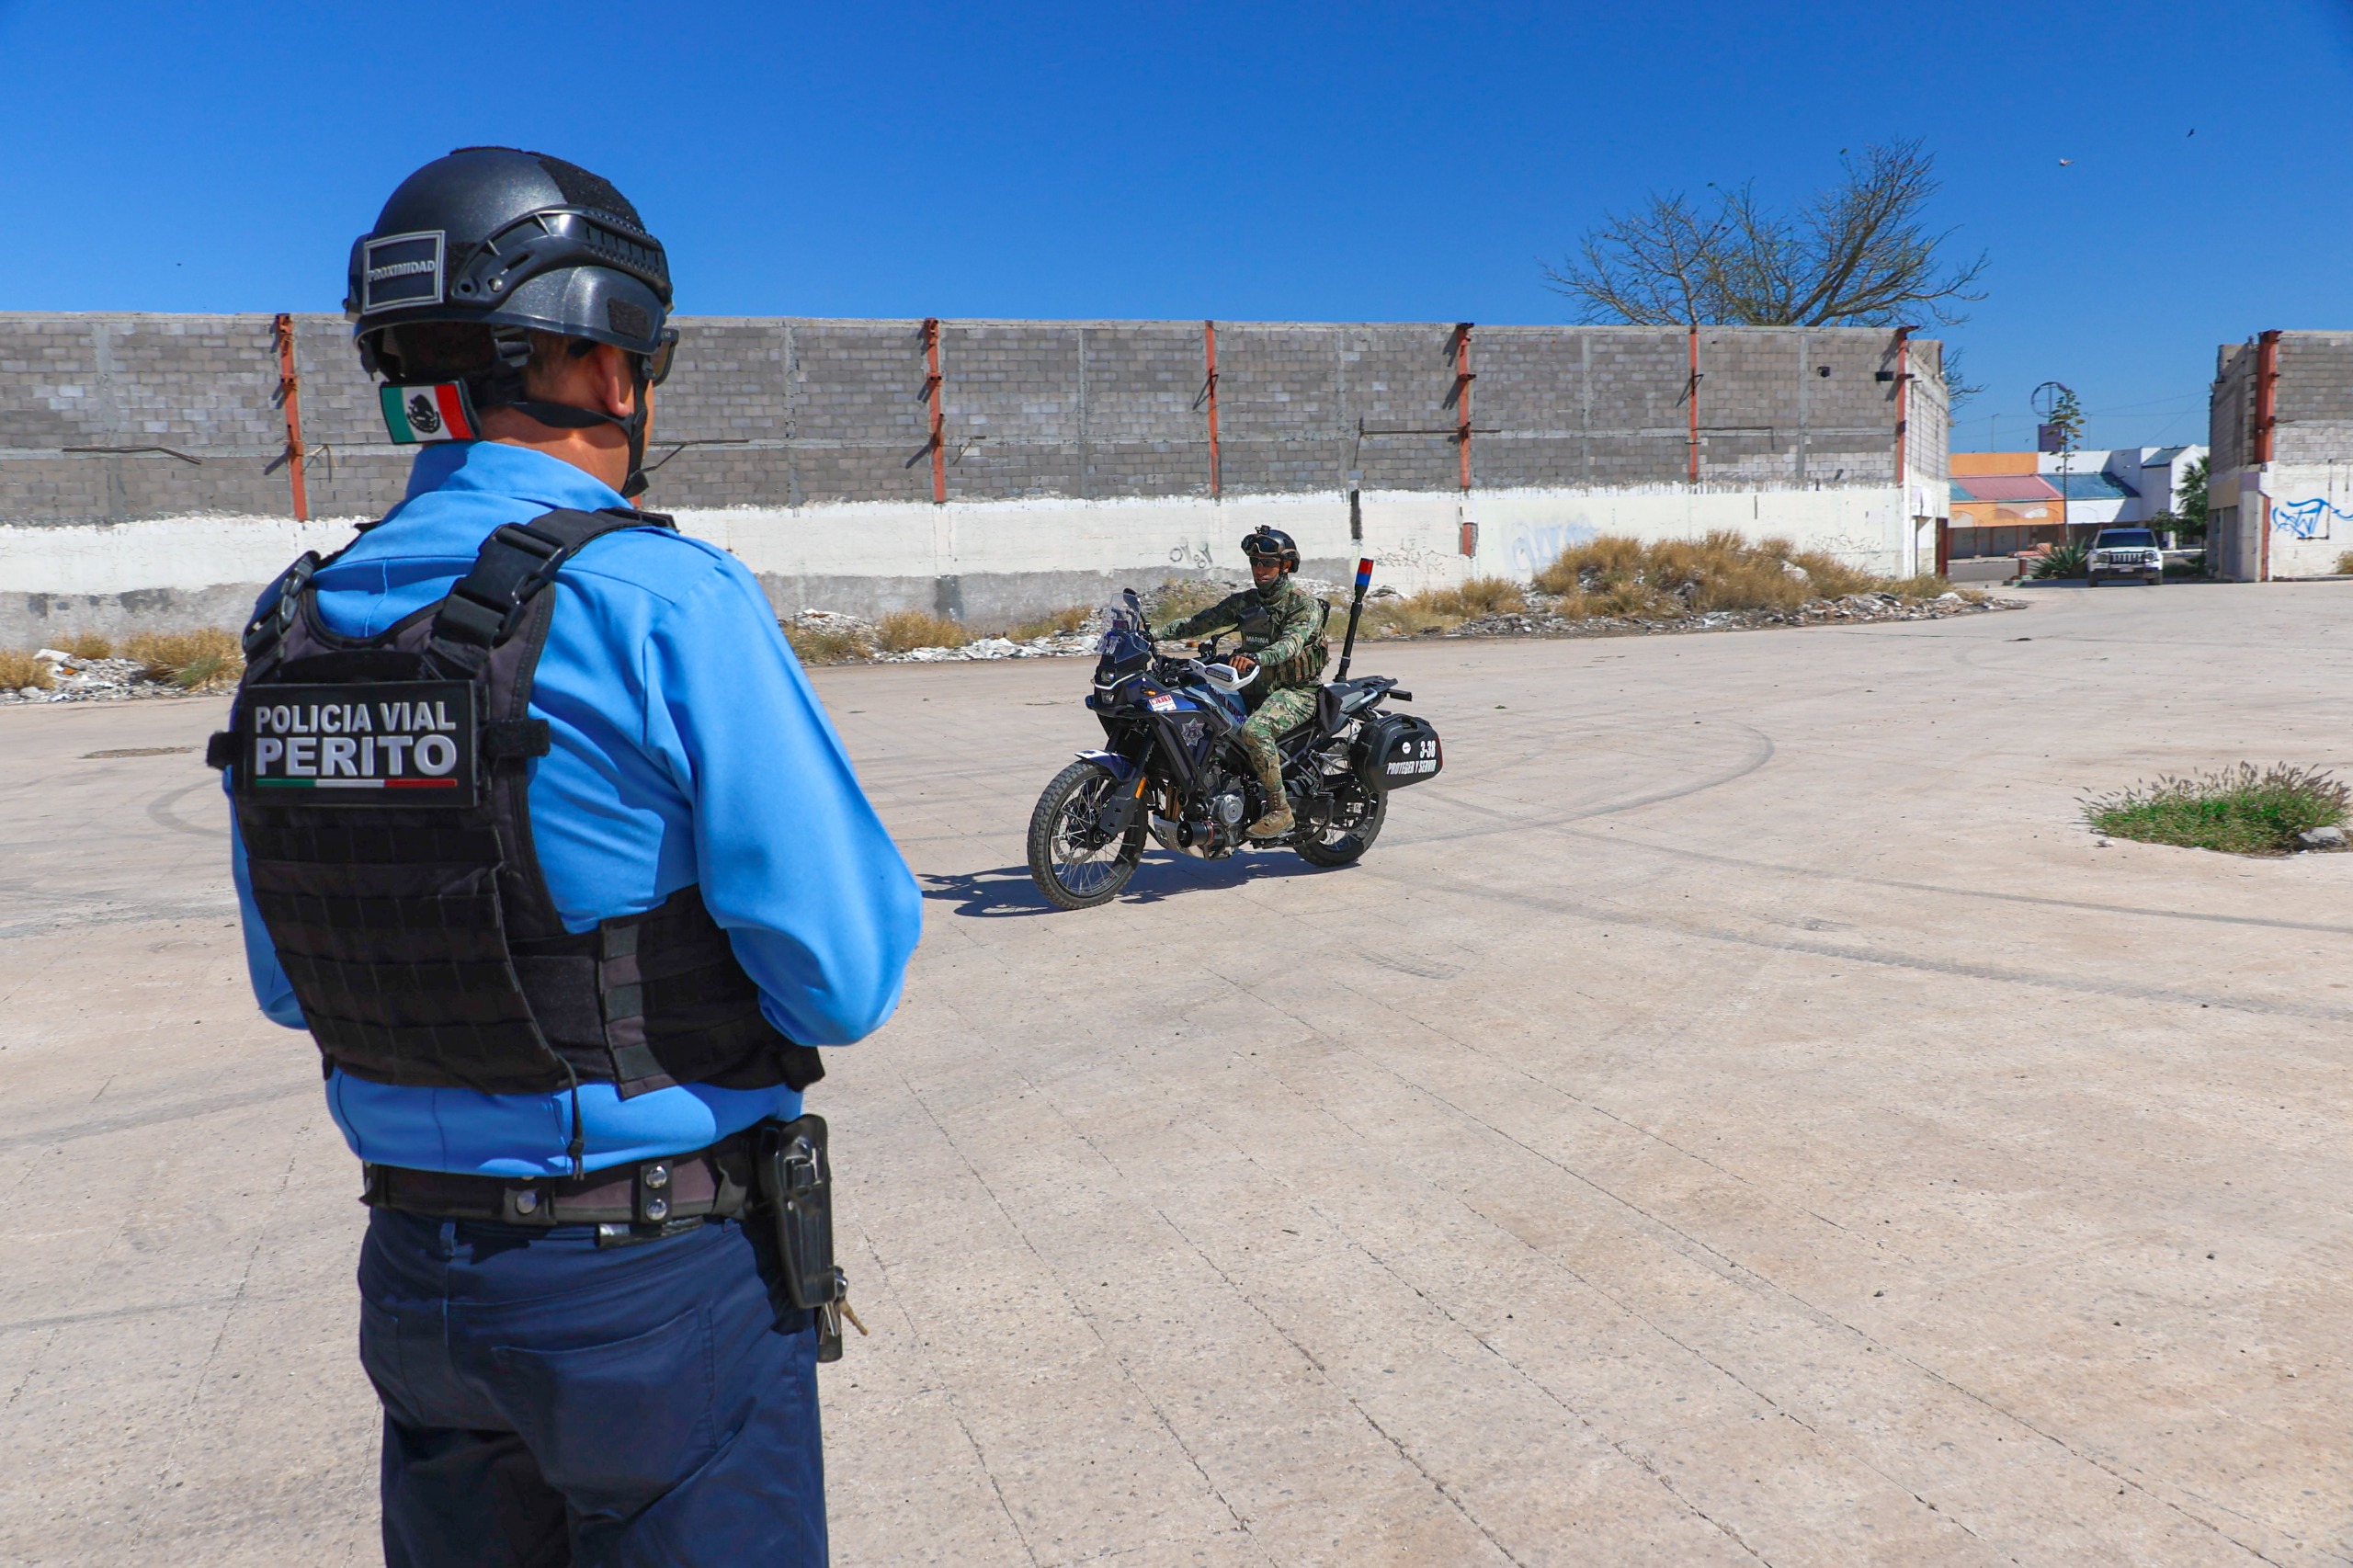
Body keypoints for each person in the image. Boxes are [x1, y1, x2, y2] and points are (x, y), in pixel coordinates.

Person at [213, 147, 920, 1567]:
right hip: (647, 1287)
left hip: (416, 1285)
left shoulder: (294, 622)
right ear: (604, 363)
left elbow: (295, 988)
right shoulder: (660, 596)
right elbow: (843, 974)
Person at [1152, 528, 1332, 837]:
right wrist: (1150, 634)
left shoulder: (1303, 605)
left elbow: (1291, 644)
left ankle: (1280, 810)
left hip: (1296, 692)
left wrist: (1258, 657)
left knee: (1255, 730)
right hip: (1249, 686)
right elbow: (1199, 622)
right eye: (1255, 563)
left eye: (1267, 563)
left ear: (1285, 566)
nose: (1260, 570)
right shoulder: (1246, 602)